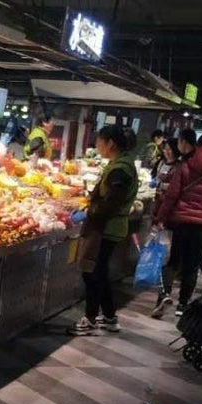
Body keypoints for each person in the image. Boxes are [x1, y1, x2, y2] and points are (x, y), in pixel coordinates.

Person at [69, 125, 139, 335]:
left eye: (99, 141)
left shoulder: (120, 170)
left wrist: (88, 212)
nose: (97, 145)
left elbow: (111, 204)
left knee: (92, 273)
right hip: (109, 227)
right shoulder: (121, 164)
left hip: (105, 228)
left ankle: (90, 320)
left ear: (110, 143)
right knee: (99, 272)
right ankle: (109, 317)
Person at [151, 133, 202, 318]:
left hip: (180, 222)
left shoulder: (186, 166)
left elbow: (172, 195)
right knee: (192, 266)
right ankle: (183, 304)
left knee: (172, 261)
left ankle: (164, 295)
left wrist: (161, 218)